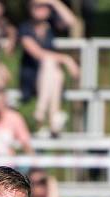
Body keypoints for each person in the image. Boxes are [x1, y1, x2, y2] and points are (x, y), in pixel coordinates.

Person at [18, 0, 80, 136]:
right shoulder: (24, 28)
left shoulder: (51, 24)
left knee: (54, 71)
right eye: (37, 6)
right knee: (50, 65)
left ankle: (41, 114)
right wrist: (66, 59)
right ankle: (53, 118)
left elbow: (72, 22)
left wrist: (55, 2)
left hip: (51, 79)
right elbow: (38, 54)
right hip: (32, 76)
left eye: (44, 6)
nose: (40, 9)